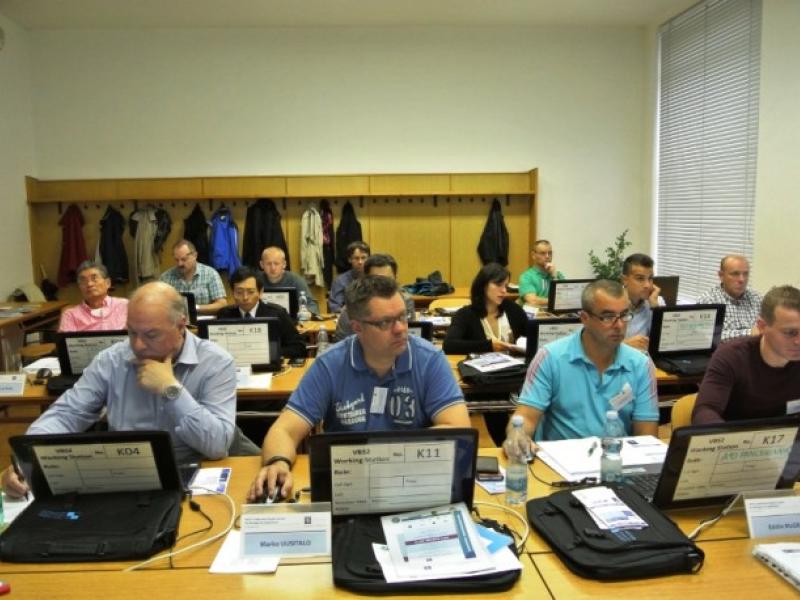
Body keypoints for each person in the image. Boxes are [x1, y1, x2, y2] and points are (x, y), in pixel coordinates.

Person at [1, 282, 237, 498]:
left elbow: (216, 445)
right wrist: (26, 459)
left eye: (151, 335)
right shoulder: (112, 360)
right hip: (124, 474)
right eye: (132, 332)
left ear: (181, 325)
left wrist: (171, 389)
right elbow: (67, 414)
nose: (138, 345)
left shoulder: (216, 362)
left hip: (191, 473)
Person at [246, 275, 470, 502]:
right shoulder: (330, 364)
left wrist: (388, 460)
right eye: (385, 322)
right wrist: (278, 462)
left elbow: (458, 429)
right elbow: (284, 430)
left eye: (403, 317)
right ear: (357, 327)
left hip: (412, 483)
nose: (401, 329)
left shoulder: (429, 359)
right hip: (348, 486)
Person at [503, 279, 659, 452]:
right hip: (561, 460)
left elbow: (647, 436)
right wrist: (518, 436)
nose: (619, 325)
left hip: (616, 459)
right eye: (608, 317)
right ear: (585, 318)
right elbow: (526, 416)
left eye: (624, 315)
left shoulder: (641, 364)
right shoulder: (550, 357)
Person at [692, 285, 800, 425]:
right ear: (762, 326)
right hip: (736, 435)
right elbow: (705, 410)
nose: (798, 341)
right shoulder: (731, 356)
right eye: (790, 333)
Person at [217, 266, 307, 359]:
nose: (245, 297)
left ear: (260, 292)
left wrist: (269, 353)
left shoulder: (277, 314)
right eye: (239, 292)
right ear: (233, 293)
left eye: (251, 292)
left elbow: (299, 348)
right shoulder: (225, 315)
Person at [443, 263, 528, 355]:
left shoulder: (513, 309)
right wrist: (489, 346)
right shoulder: (465, 315)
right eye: (498, 284)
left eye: (506, 286)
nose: (504, 290)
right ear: (483, 285)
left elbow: (531, 337)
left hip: (514, 363)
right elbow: (449, 345)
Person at [335, 254, 415, 339]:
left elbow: (409, 337)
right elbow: (341, 344)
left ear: (395, 279)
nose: (383, 286)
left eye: (388, 280)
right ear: (365, 280)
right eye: (377, 281)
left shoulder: (405, 301)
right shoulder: (352, 309)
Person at [698, 255, 762, 341]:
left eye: (745, 274)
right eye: (735, 274)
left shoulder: (757, 298)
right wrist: (749, 333)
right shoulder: (708, 301)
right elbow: (708, 337)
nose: (742, 279)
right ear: (721, 276)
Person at [160, 239, 227, 315]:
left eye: (184, 259)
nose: (180, 264)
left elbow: (222, 304)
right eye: (176, 260)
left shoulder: (210, 274)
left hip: (203, 320)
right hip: (176, 321)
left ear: (195, 255)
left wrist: (195, 308)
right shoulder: (166, 278)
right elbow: (158, 304)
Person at [58, 260, 128, 332]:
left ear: (108, 283)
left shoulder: (125, 306)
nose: (89, 284)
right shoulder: (71, 315)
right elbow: (66, 339)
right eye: (83, 281)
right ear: (79, 287)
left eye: (94, 279)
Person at [259, 246, 321, 315]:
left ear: (284, 264)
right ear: (261, 264)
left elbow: (312, 305)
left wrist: (308, 313)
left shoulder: (296, 280)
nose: (273, 268)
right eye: (268, 264)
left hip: (291, 319)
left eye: (276, 263)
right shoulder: (255, 281)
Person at [621, 253, 663, 352]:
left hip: (646, 358)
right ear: (625, 280)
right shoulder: (611, 304)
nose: (647, 285)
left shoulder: (656, 301)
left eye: (650, 278)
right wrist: (624, 346)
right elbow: (596, 346)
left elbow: (664, 341)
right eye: (640, 278)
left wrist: (655, 309)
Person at [518, 239, 565, 308]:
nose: (547, 256)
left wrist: (554, 277)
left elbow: (565, 299)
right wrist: (556, 301)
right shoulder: (526, 277)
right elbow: (532, 301)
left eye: (550, 253)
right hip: (535, 314)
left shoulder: (558, 275)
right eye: (543, 253)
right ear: (533, 255)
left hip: (554, 313)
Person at [328, 241, 370, 313]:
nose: (360, 262)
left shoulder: (375, 278)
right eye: (356, 258)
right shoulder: (340, 281)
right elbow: (335, 306)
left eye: (363, 258)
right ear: (349, 259)